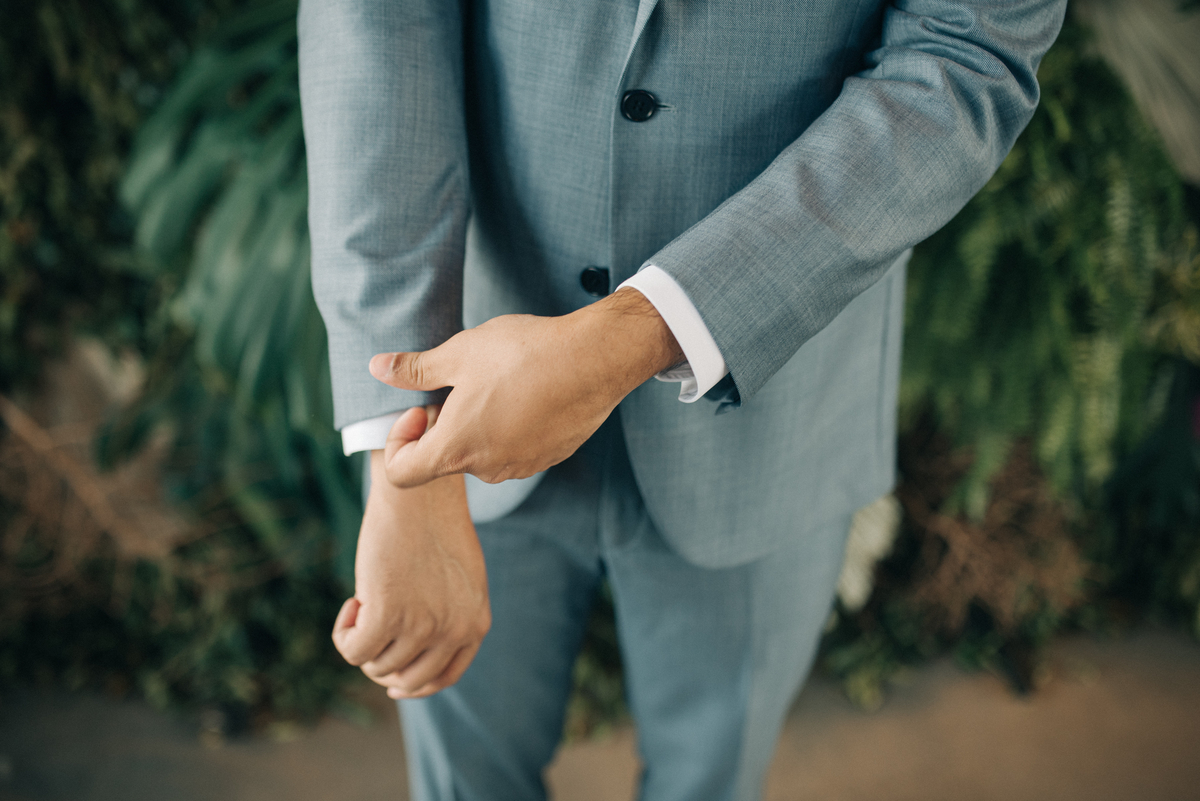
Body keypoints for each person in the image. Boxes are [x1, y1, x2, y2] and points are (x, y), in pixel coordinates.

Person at [297, 0, 1066, 798]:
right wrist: (406, 456)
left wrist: (634, 335)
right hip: (466, 369)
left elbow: (963, 55)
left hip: (774, 403)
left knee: (712, 780)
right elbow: (374, 22)